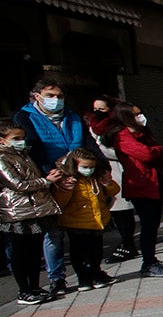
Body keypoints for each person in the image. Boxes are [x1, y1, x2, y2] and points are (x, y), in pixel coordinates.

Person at [13, 78, 95, 294]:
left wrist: (97, 166)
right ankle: (57, 278)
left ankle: (88, 272)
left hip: (79, 177)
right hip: (49, 179)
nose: (56, 100)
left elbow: (88, 144)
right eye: (50, 96)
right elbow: (32, 149)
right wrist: (53, 173)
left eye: (59, 96)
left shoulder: (72, 117)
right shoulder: (25, 117)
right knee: (54, 233)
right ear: (37, 96)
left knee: (80, 228)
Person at [0, 119, 67, 304]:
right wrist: (47, 181)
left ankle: (35, 286)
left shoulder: (24, 155)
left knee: (34, 251)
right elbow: (16, 184)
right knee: (20, 252)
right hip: (17, 211)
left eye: (22, 137)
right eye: (15, 138)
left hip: (36, 209)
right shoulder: (2, 157)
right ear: (2, 140)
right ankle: (24, 290)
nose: (21, 141)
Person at [109, 102, 163, 278]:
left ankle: (151, 259)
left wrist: (156, 150)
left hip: (154, 183)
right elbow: (146, 154)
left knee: (153, 225)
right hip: (141, 185)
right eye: (136, 114)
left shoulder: (142, 133)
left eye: (140, 113)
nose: (141, 117)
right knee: (148, 226)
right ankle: (148, 263)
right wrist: (156, 150)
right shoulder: (122, 136)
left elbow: (158, 152)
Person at [52, 148, 119, 291]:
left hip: (96, 220)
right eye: (85, 167)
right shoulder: (68, 180)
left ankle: (96, 273)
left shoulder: (96, 177)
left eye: (91, 167)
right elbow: (60, 202)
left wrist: (107, 183)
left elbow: (113, 191)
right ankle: (83, 278)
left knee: (96, 251)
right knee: (79, 252)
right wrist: (67, 188)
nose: (88, 170)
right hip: (76, 222)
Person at [88, 97, 137, 264]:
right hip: (101, 174)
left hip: (119, 172)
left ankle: (128, 244)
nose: (97, 113)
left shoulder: (118, 127)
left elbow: (124, 151)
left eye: (102, 109)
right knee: (112, 212)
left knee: (123, 212)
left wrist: (99, 150)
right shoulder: (92, 129)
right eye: (95, 109)